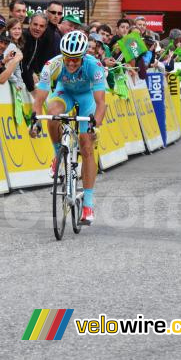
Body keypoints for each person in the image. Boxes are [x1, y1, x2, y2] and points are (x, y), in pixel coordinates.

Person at [30, 31, 106, 225]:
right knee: (53, 113)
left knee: (85, 144)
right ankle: (58, 157)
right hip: (64, 93)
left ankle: (87, 204)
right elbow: (39, 100)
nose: (71, 64)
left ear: (83, 56)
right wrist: (36, 121)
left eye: (75, 60)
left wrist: (94, 125)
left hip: (87, 97)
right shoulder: (52, 65)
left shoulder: (94, 66)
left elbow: (101, 104)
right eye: (68, 59)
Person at [21, 12, 59, 95]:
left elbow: (30, 63)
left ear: (45, 28)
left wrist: (32, 73)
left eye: (41, 26)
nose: (38, 28)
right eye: (35, 24)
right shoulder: (23, 37)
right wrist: (32, 88)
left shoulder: (37, 40)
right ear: (29, 24)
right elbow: (22, 64)